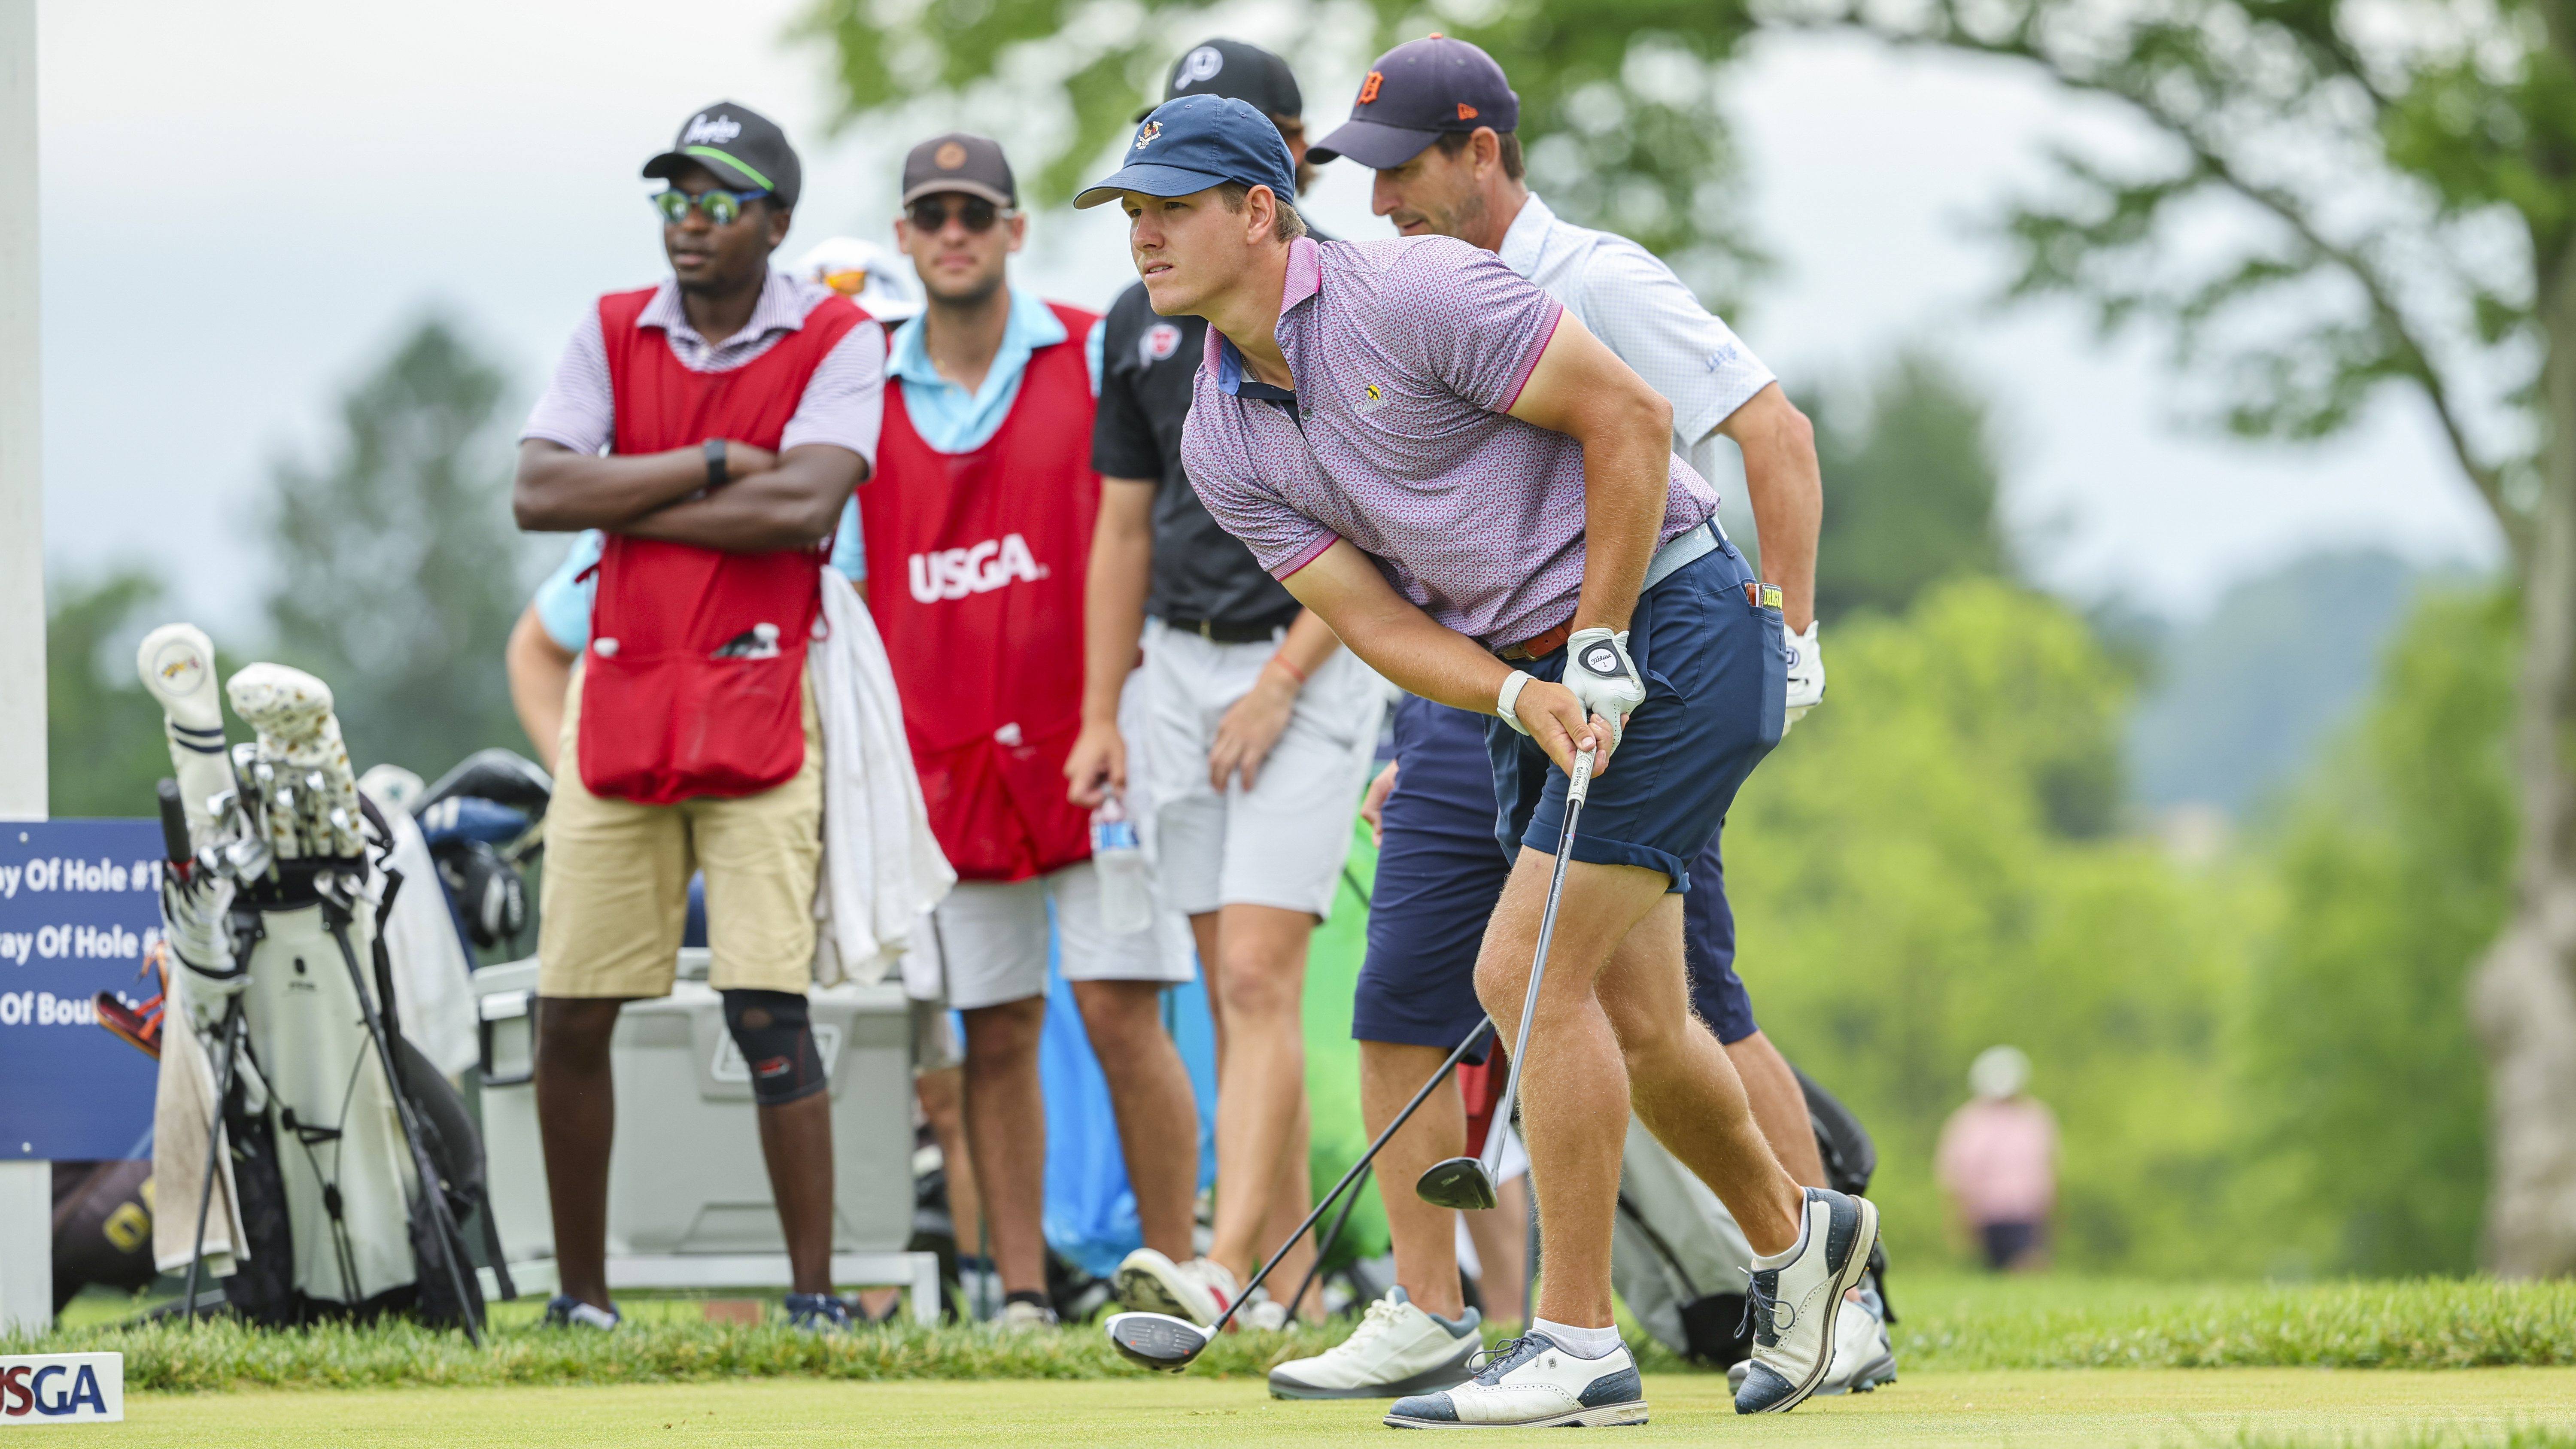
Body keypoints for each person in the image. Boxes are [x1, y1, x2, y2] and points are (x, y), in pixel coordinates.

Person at [1078, 95, 1878, 1423]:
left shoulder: (1418, 288)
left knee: (1518, 968)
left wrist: (1604, 642)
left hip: (1677, 621)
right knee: (1632, 1013)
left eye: (1168, 208)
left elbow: (1626, 421)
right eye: (1130, 214)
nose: (1142, 235)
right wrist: (1514, 694)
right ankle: (1802, 1245)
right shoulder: (1219, 432)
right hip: (1534, 668)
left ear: (1260, 212)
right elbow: (1377, 624)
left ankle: (1575, 1347)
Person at [510, 102, 882, 1333]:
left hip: (762, 703)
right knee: (572, 1005)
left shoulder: (836, 335)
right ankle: (581, 1297)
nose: (691, 221)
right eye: (674, 197)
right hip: (619, 710)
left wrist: (623, 495)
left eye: (720, 201)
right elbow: (536, 489)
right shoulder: (611, 326)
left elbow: (806, 508)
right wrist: (715, 460)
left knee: (769, 1003)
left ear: (776, 220)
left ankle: (816, 1293)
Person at [1064, 36, 1383, 1334]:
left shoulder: (1344, 311)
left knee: (1257, 977)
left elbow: (1373, 528)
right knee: (1226, 982)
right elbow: (1122, 528)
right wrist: (1102, 709)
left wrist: (1280, 682)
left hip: (1305, 662)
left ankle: (1223, 1270)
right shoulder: (1137, 326)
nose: (1155, 221)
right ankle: (1274, 1276)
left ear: (1280, 165)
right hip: (1176, 670)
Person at [864, 132, 1201, 1332]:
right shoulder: (867, 386)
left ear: (1013, 229)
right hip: (942, 755)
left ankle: (1179, 1271)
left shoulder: (1091, 345)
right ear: (905, 238)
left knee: (1120, 1001)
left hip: (1093, 735)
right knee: (994, 1028)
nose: (953, 233)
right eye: (931, 215)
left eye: (976, 213)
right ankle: (1019, 1288)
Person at [1936, 1045, 2056, 1272]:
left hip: (2027, 1212)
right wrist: (1959, 1221)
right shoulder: (1968, 1121)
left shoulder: (2036, 1116)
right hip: (1986, 1215)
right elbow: (1956, 1178)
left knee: (2028, 1267)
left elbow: (2047, 1172)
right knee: (1997, 1271)